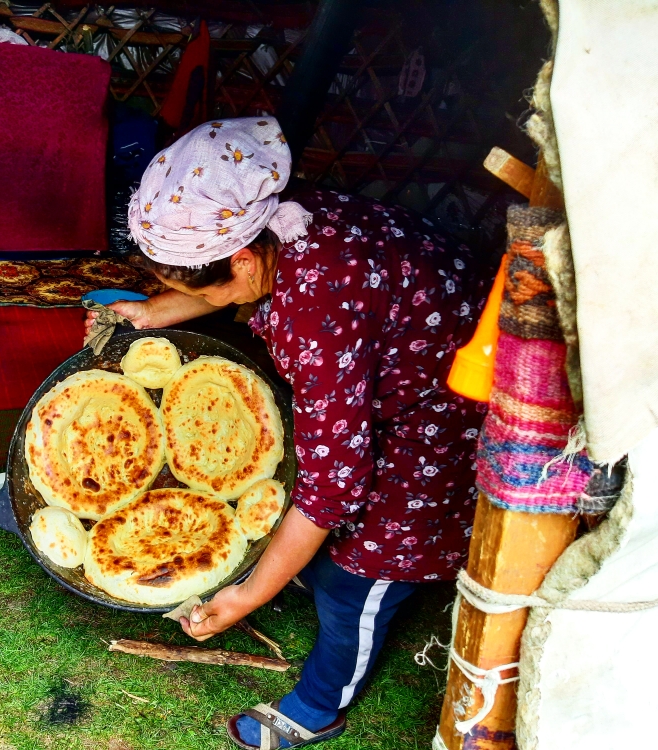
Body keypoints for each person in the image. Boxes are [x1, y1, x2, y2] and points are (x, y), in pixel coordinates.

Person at [88, 117, 490, 748]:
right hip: (416, 353)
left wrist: (247, 596)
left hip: (456, 409)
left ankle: (319, 703)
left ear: (243, 260)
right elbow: (223, 285)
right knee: (328, 520)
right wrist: (153, 311)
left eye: (180, 284)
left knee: (361, 574)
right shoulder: (279, 211)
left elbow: (333, 486)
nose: (173, 293)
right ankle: (309, 571)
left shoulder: (316, 312)